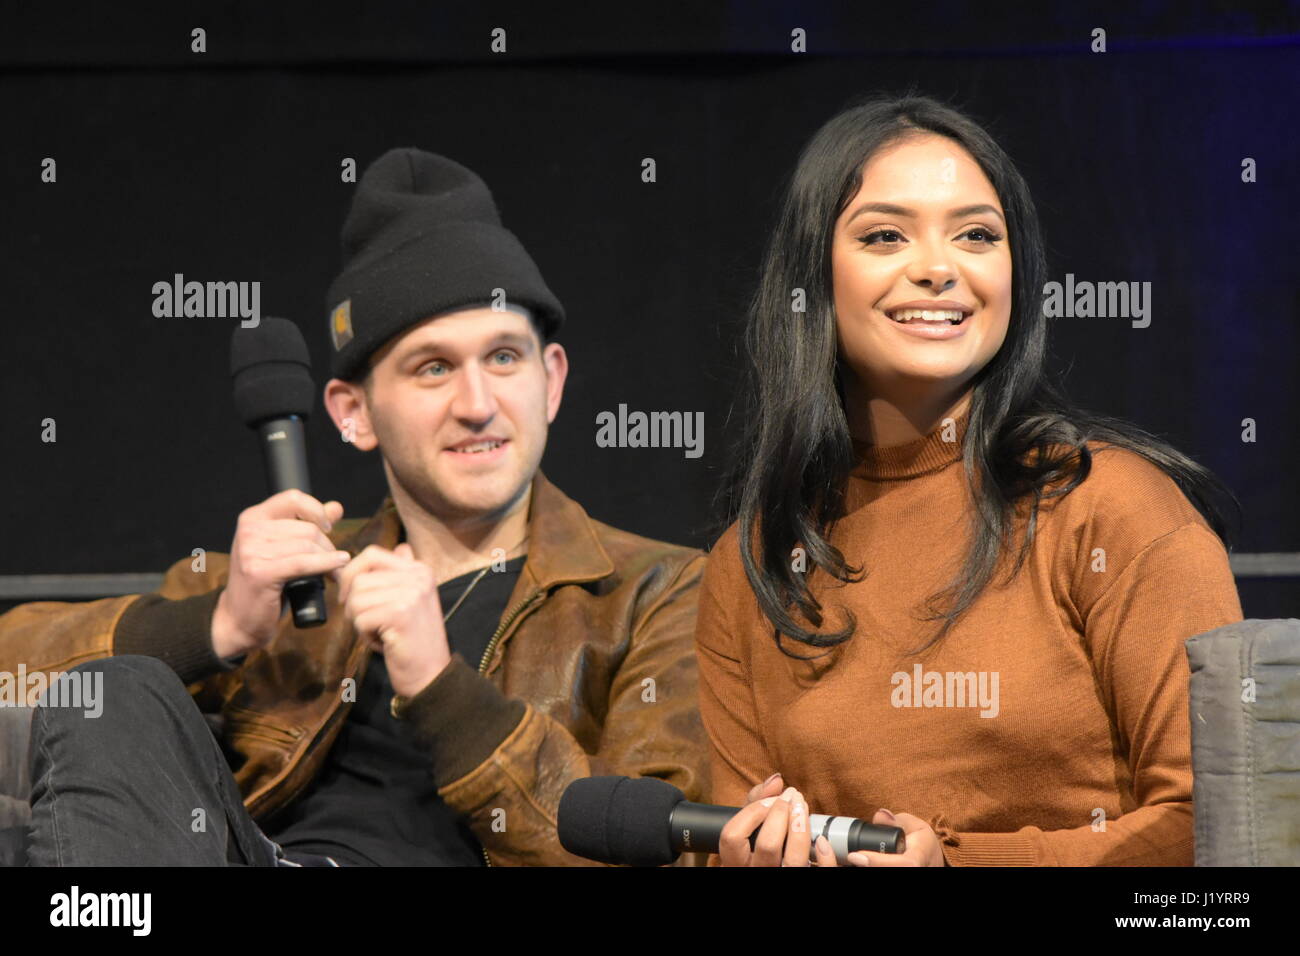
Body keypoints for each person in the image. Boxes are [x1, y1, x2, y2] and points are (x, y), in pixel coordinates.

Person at [3, 148, 708, 866]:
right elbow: (13, 670)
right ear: (353, 413)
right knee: (118, 689)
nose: (477, 405)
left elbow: (664, 846)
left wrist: (442, 689)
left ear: (551, 381)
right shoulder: (299, 579)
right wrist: (215, 625)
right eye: (433, 367)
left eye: (503, 357)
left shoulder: (656, 590)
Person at [696, 93, 1243, 867]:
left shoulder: (1112, 508)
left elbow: (1228, 829)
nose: (937, 269)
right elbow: (731, 826)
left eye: (977, 236)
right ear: (810, 279)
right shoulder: (749, 561)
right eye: (885, 235)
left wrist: (961, 865)